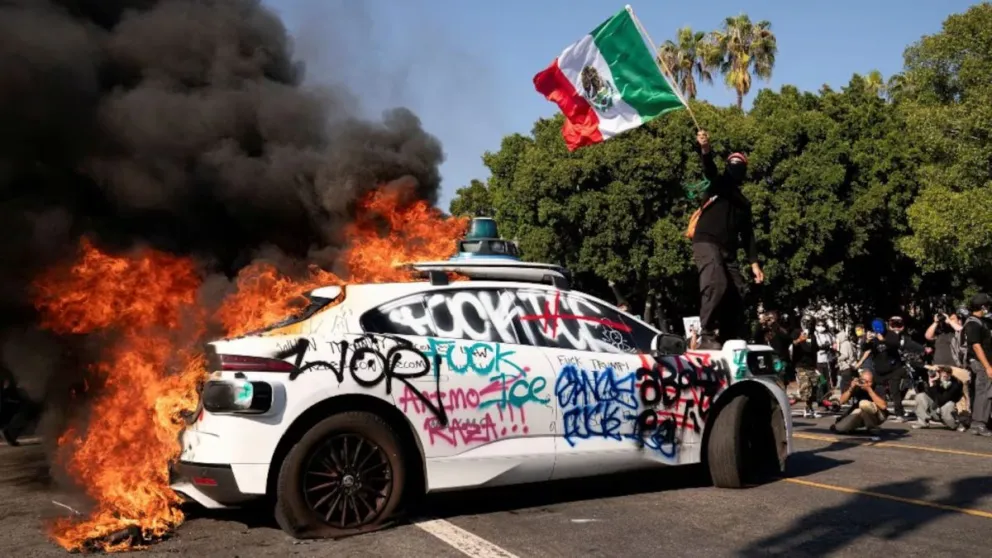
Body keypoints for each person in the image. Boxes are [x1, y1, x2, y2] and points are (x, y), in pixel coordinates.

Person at [688, 130, 764, 350]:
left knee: (738, 290)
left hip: (728, 251)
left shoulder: (744, 203)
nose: (735, 168)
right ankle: (707, 334)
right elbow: (709, 168)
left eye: (740, 165)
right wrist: (705, 149)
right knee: (716, 282)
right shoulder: (718, 184)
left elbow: (748, 234)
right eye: (732, 163)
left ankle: (729, 335)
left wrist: (754, 263)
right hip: (706, 241)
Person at [855, 318, 909, 422]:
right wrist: (867, 340)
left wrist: (883, 340)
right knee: (875, 389)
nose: (878, 330)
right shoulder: (873, 337)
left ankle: (899, 414)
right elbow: (865, 349)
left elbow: (896, 345)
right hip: (879, 370)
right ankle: (878, 410)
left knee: (895, 391)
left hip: (893, 369)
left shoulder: (891, 334)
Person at [925, 310, 971, 418]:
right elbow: (928, 336)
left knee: (960, 394)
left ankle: (964, 414)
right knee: (938, 391)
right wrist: (936, 322)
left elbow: (961, 330)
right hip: (938, 367)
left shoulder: (959, 334)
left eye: (952, 318)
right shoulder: (940, 334)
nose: (948, 320)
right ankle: (938, 412)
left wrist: (950, 321)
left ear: (959, 321)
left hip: (955, 369)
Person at [963, 293, 992, 437]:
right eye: (988, 306)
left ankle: (982, 421)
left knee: (985, 392)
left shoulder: (984, 322)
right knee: (984, 392)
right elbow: (976, 346)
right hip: (980, 362)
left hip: (985, 362)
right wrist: (987, 366)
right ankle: (978, 423)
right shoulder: (973, 323)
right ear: (983, 307)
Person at [831, 368, 888, 435]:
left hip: (877, 415)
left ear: (873, 381)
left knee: (864, 404)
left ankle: (873, 428)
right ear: (860, 380)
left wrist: (869, 390)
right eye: (864, 381)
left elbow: (883, 406)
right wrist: (851, 388)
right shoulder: (857, 387)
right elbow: (841, 401)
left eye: (869, 382)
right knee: (840, 428)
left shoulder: (878, 387)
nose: (866, 384)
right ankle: (850, 426)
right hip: (860, 413)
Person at [912, 366, 964, 430]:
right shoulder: (936, 382)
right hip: (935, 409)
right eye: (942, 373)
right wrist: (931, 384)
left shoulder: (955, 385)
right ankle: (923, 422)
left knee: (948, 405)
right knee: (921, 396)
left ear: (950, 375)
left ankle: (956, 425)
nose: (944, 375)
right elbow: (930, 396)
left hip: (946, 411)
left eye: (947, 374)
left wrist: (934, 387)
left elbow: (942, 400)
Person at [792, 317, 821, 418]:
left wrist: (816, 366)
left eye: (811, 323)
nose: (810, 325)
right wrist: (799, 340)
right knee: (805, 387)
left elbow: (814, 350)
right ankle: (806, 408)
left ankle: (809, 407)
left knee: (813, 388)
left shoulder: (813, 335)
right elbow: (792, 344)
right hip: (801, 365)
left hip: (811, 366)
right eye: (808, 323)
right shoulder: (797, 332)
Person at [836, 328, 859, 393]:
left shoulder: (844, 344)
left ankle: (845, 397)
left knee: (844, 385)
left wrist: (838, 358)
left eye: (838, 337)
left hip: (846, 367)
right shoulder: (848, 343)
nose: (837, 339)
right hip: (851, 366)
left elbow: (845, 355)